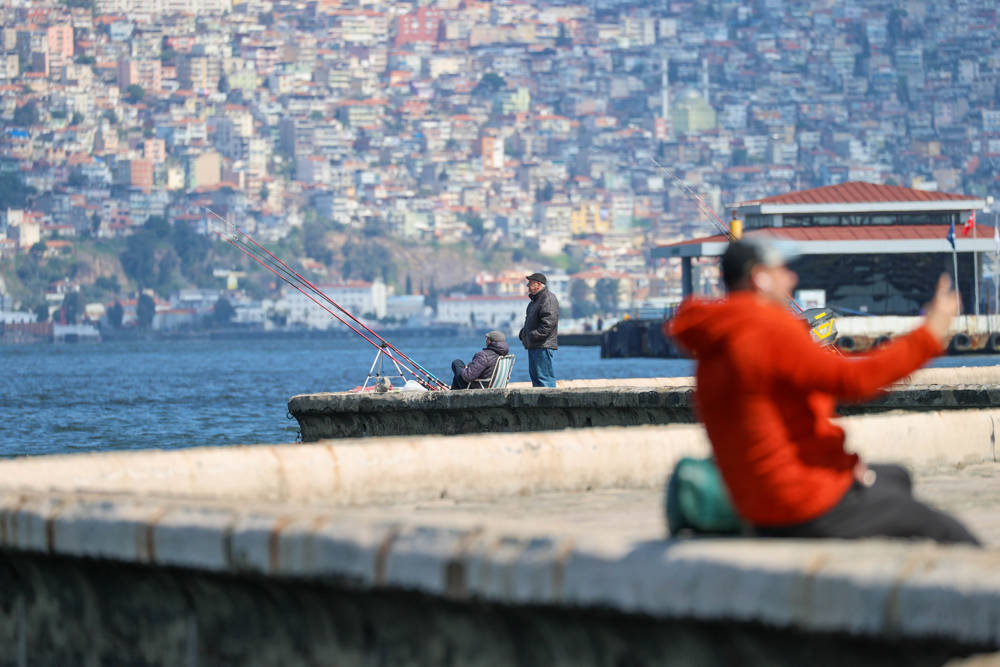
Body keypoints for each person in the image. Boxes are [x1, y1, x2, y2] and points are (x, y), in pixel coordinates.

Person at [668, 237, 980, 545]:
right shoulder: (766, 329)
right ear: (759, 278)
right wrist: (931, 333)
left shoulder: (716, 340)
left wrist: (840, 466)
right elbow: (855, 381)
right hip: (802, 502)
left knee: (895, 477)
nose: (792, 278)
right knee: (948, 531)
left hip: (756, 502)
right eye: (782, 270)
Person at [518, 272, 559, 388]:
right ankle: (540, 405)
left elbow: (548, 325)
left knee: (544, 378)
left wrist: (531, 335)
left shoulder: (548, 299)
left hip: (543, 346)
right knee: (536, 379)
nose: (527, 286)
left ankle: (549, 404)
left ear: (538, 284)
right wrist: (523, 334)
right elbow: (531, 322)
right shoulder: (535, 301)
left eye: (530, 283)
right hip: (535, 345)